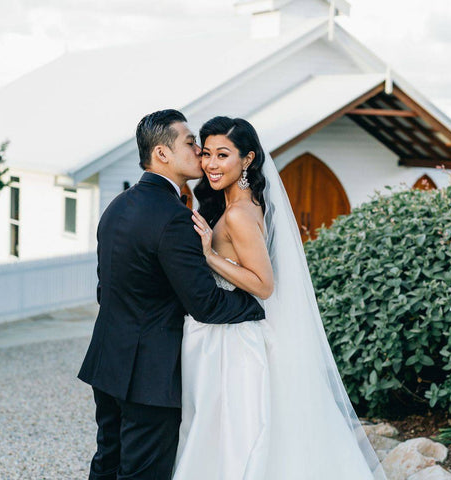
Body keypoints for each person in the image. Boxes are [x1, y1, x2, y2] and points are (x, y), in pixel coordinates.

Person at [172, 116, 388, 479]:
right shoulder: (238, 204)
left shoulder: (239, 213)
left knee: (230, 432)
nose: (210, 163)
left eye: (223, 154)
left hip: (231, 340)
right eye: (206, 153)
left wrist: (209, 257)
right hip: (222, 332)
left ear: (248, 159)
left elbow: (263, 284)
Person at [77, 109, 265, 480]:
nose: (200, 152)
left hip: (107, 361)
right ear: (163, 154)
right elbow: (205, 305)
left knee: (107, 462)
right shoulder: (173, 217)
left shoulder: (118, 205)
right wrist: (255, 307)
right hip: (149, 375)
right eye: (191, 143)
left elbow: (106, 289)